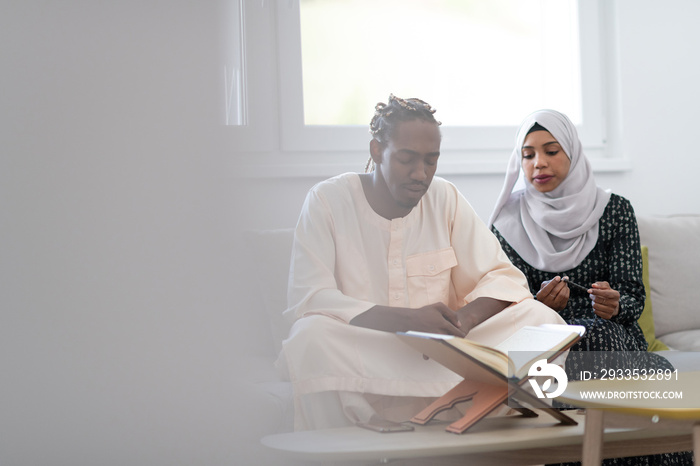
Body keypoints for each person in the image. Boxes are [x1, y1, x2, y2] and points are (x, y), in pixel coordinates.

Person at [276, 95, 566, 431]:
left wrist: (463, 320)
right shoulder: (327, 200)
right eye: (406, 159)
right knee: (310, 336)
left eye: (431, 161)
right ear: (376, 151)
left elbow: (502, 278)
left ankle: (501, 442)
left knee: (542, 321)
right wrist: (407, 320)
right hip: (372, 348)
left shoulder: (445, 197)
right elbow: (311, 298)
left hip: (445, 352)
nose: (420, 173)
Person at [488, 109, 692, 466]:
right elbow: (509, 303)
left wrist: (615, 306)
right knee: (629, 361)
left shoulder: (613, 211)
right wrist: (541, 306)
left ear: (573, 151)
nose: (539, 163)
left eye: (551, 151)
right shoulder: (506, 224)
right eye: (528, 154)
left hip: (613, 335)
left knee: (595, 336)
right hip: (542, 341)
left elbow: (632, 297)